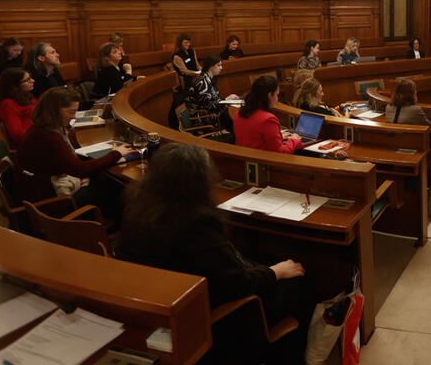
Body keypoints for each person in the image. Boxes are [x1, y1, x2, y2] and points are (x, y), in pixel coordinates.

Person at [116, 143, 313, 362]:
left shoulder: (137, 206)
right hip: (211, 313)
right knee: (299, 278)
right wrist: (276, 272)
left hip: (157, 303)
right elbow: (237, 284)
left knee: (266, 260)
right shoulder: (195, 221)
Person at [15, 87, 133, 208]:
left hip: (41, 188)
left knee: (104, 180)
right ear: (54, 111)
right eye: (71, 112)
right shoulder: (49, 137)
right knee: (114, 188)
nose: (74, 117)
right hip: (50, 199)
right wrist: (115, 154)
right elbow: (80, 170)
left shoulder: (42, 128)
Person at [235, 75, 303, 154]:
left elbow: (254, 139)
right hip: (264, 163)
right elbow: (281, 153)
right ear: (270, 95)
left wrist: (279, 137)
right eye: (277, 95)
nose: (277, 99)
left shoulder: (239, 113)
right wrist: (294, 140)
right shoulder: (268, 119)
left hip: (245, 160)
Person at [187, 55, 238, 132]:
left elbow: (214, 99)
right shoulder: (203, 82)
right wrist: (226, 100)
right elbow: (209, 106)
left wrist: (226, 101)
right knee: (231, 117)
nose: (221, 68)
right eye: (218, 65)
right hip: (203, 116)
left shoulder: (209, 78)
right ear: (210, 67)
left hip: (211, 111)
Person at [0, 67, 37, 146]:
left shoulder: (28, 97)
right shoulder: (8, 105)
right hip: (31, 144)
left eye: (30, 78)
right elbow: (17, 136)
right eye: (27, 80)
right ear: (15, 86)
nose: (33, 81)